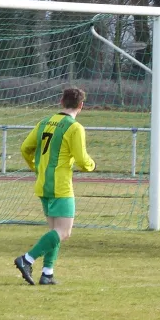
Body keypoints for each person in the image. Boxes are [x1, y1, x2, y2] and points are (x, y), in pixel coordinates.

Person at [15, 87, 96, 285]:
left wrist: (36, 168)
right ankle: (27, 259)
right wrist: (91, 165)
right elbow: (81, 159)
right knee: (64, 232)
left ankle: (47, 274)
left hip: (43, 184)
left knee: (54, 231)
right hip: (60, 185)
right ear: (81, 106)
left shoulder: (44, 122)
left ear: (61, 102)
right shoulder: (74, 127)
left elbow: (26, 148)